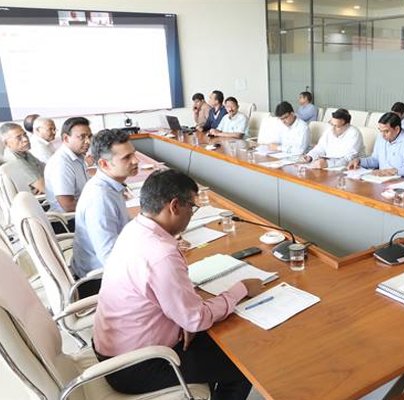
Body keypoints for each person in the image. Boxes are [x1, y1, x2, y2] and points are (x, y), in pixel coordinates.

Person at [93, 169, 263, 399]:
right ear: (174, 206)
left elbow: (181, 311)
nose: (192, 213)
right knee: (243, 365)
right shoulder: (161, 254)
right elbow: (196, 319)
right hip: (135, 365)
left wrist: (184, 318)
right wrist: (241, 289)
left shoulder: (135, 228)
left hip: (118, 347)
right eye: (192, 206)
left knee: (220, 343)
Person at [71, 129, 139, 298]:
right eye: (126, 158)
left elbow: (124, 227)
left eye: (134, 154)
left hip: (109, 268)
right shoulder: (100, 198)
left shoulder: (109, 185)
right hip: (99, 282)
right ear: (104, 164)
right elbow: (110, 258)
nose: (135, 161)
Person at [348, 112, 404, 178]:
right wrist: (359, 161)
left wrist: (396, 171)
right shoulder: (380, 138)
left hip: (399, 181)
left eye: (386, 131)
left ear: (397, 129)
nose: (382, 135)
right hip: (380, 179)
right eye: (380, 131)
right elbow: (375, 160)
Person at [44, 117, 91, 213]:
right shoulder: (61, 163)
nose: (88, 141)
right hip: (70, 218)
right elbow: (68, 205)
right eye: (82, 137)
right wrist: (99, 204)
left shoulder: (77, 156)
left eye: (89, 137)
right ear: (66, 138)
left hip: (83, 210)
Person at [0, 122, 45, 193]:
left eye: (25, 134)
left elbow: (45, 170)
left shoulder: (24, 152)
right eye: (18, 138)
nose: (25, 139)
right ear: (6, 143)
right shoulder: (13, 160)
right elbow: (43, 187)